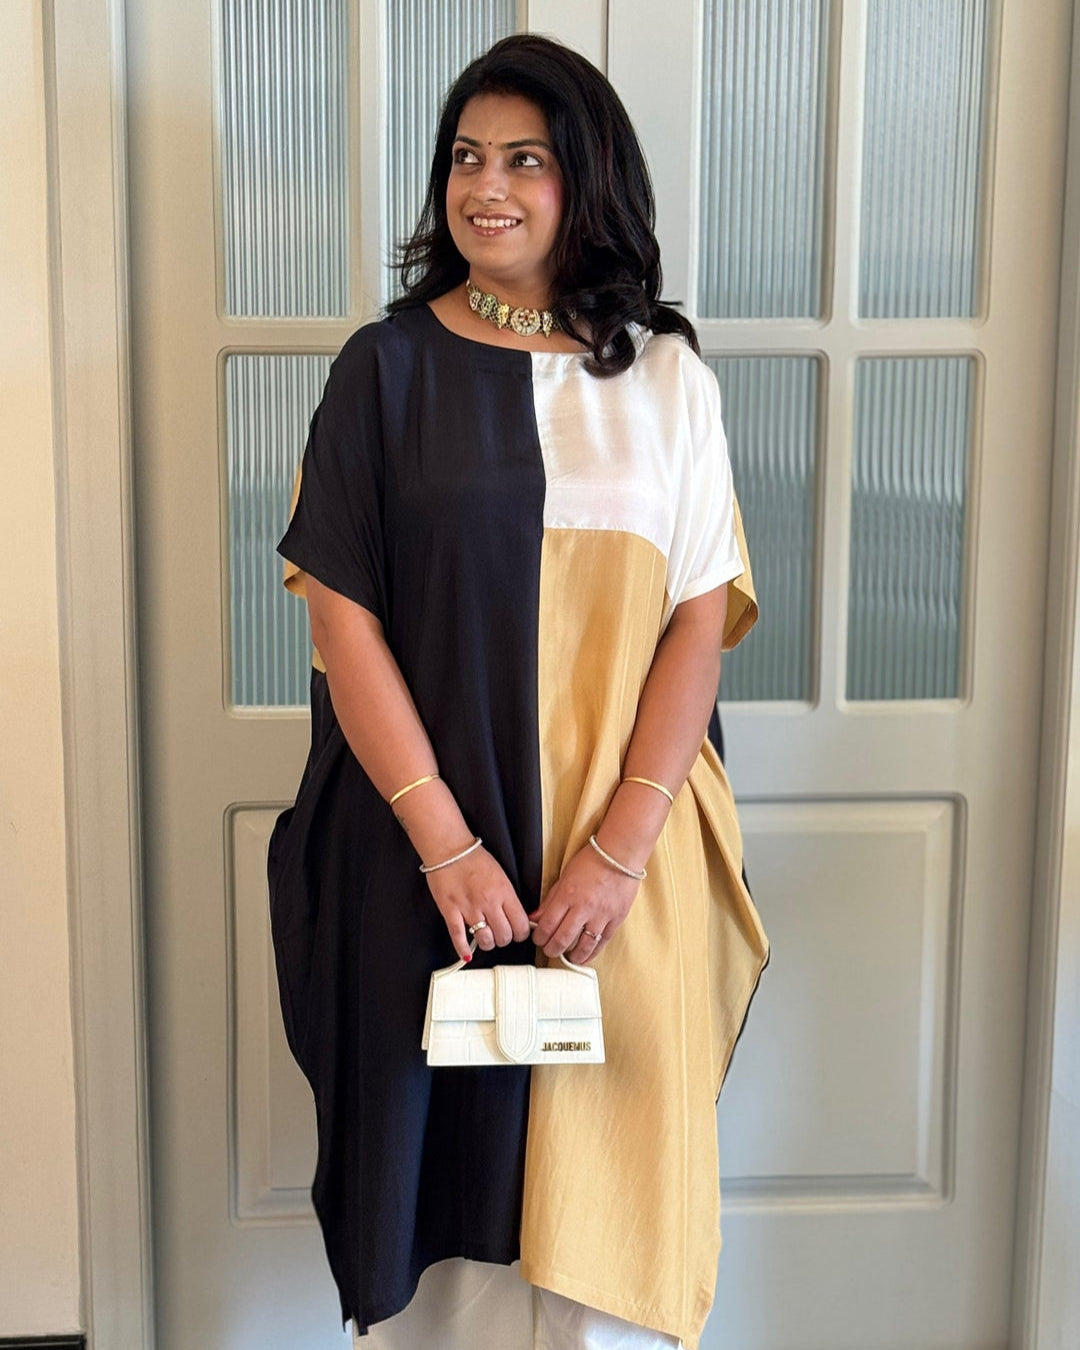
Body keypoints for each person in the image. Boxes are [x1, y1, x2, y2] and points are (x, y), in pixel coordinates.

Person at [267, 32, 769, 1350]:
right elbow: (341, 613)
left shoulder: (669, 381)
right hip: (428, 862)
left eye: (525, 160)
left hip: (619, 872)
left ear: (585, 180)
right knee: (442, 1217)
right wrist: (447, 846)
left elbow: (698, 623)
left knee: (601, 1206)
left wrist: (616, 855)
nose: (484, 186)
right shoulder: (386, 370)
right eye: (465, 158)